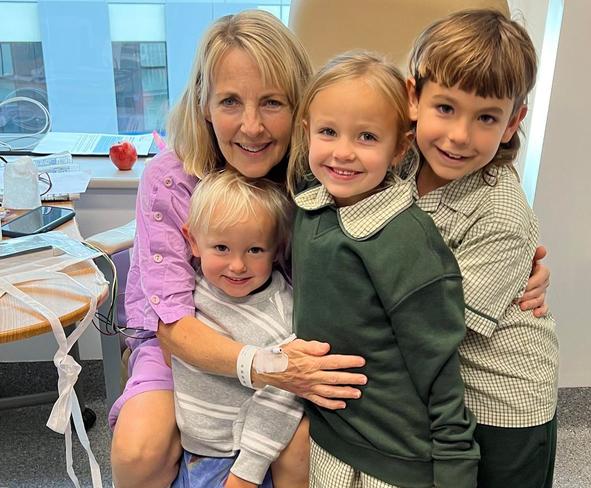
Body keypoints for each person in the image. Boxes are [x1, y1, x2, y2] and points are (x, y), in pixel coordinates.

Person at [109, 11, 367, 488]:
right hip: (185, 346)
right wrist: (268, 369)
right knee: (137, 449)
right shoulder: (170, 180)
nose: (251, 126)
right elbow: (173, 331)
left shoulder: (320, 172)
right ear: (204, 104)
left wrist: (516, 265)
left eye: (271, 102)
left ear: (301, 110)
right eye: (230, 101)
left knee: (303, 451)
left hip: (282, 334)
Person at [288, 51, 479, 488]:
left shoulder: (407, 238)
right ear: (307, 133)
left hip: (394, 458)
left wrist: (455, 466)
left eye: (367, 137)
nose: (343, 152)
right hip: (329, 439)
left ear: (399, 148)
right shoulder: (309, 207)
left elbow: (438, 361)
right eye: (328, 132)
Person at [407, 9, 559, 488]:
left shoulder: (501, 212)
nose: (459, 136)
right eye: (446, 108)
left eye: (486, 117)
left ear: (513, 121)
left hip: (504, 406)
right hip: (443, 394)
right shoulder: (398, 163)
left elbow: (436, 323)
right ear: (414, 97)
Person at [171, 170, 302, 488]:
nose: (238, 265)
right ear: (193, 242)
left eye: (255, 250)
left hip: (236, 465)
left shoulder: (281, 315)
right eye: (221, 248)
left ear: (276, 249)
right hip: (190, 454)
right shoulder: (190, 289)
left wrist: (246, 474)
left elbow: (283, 398)